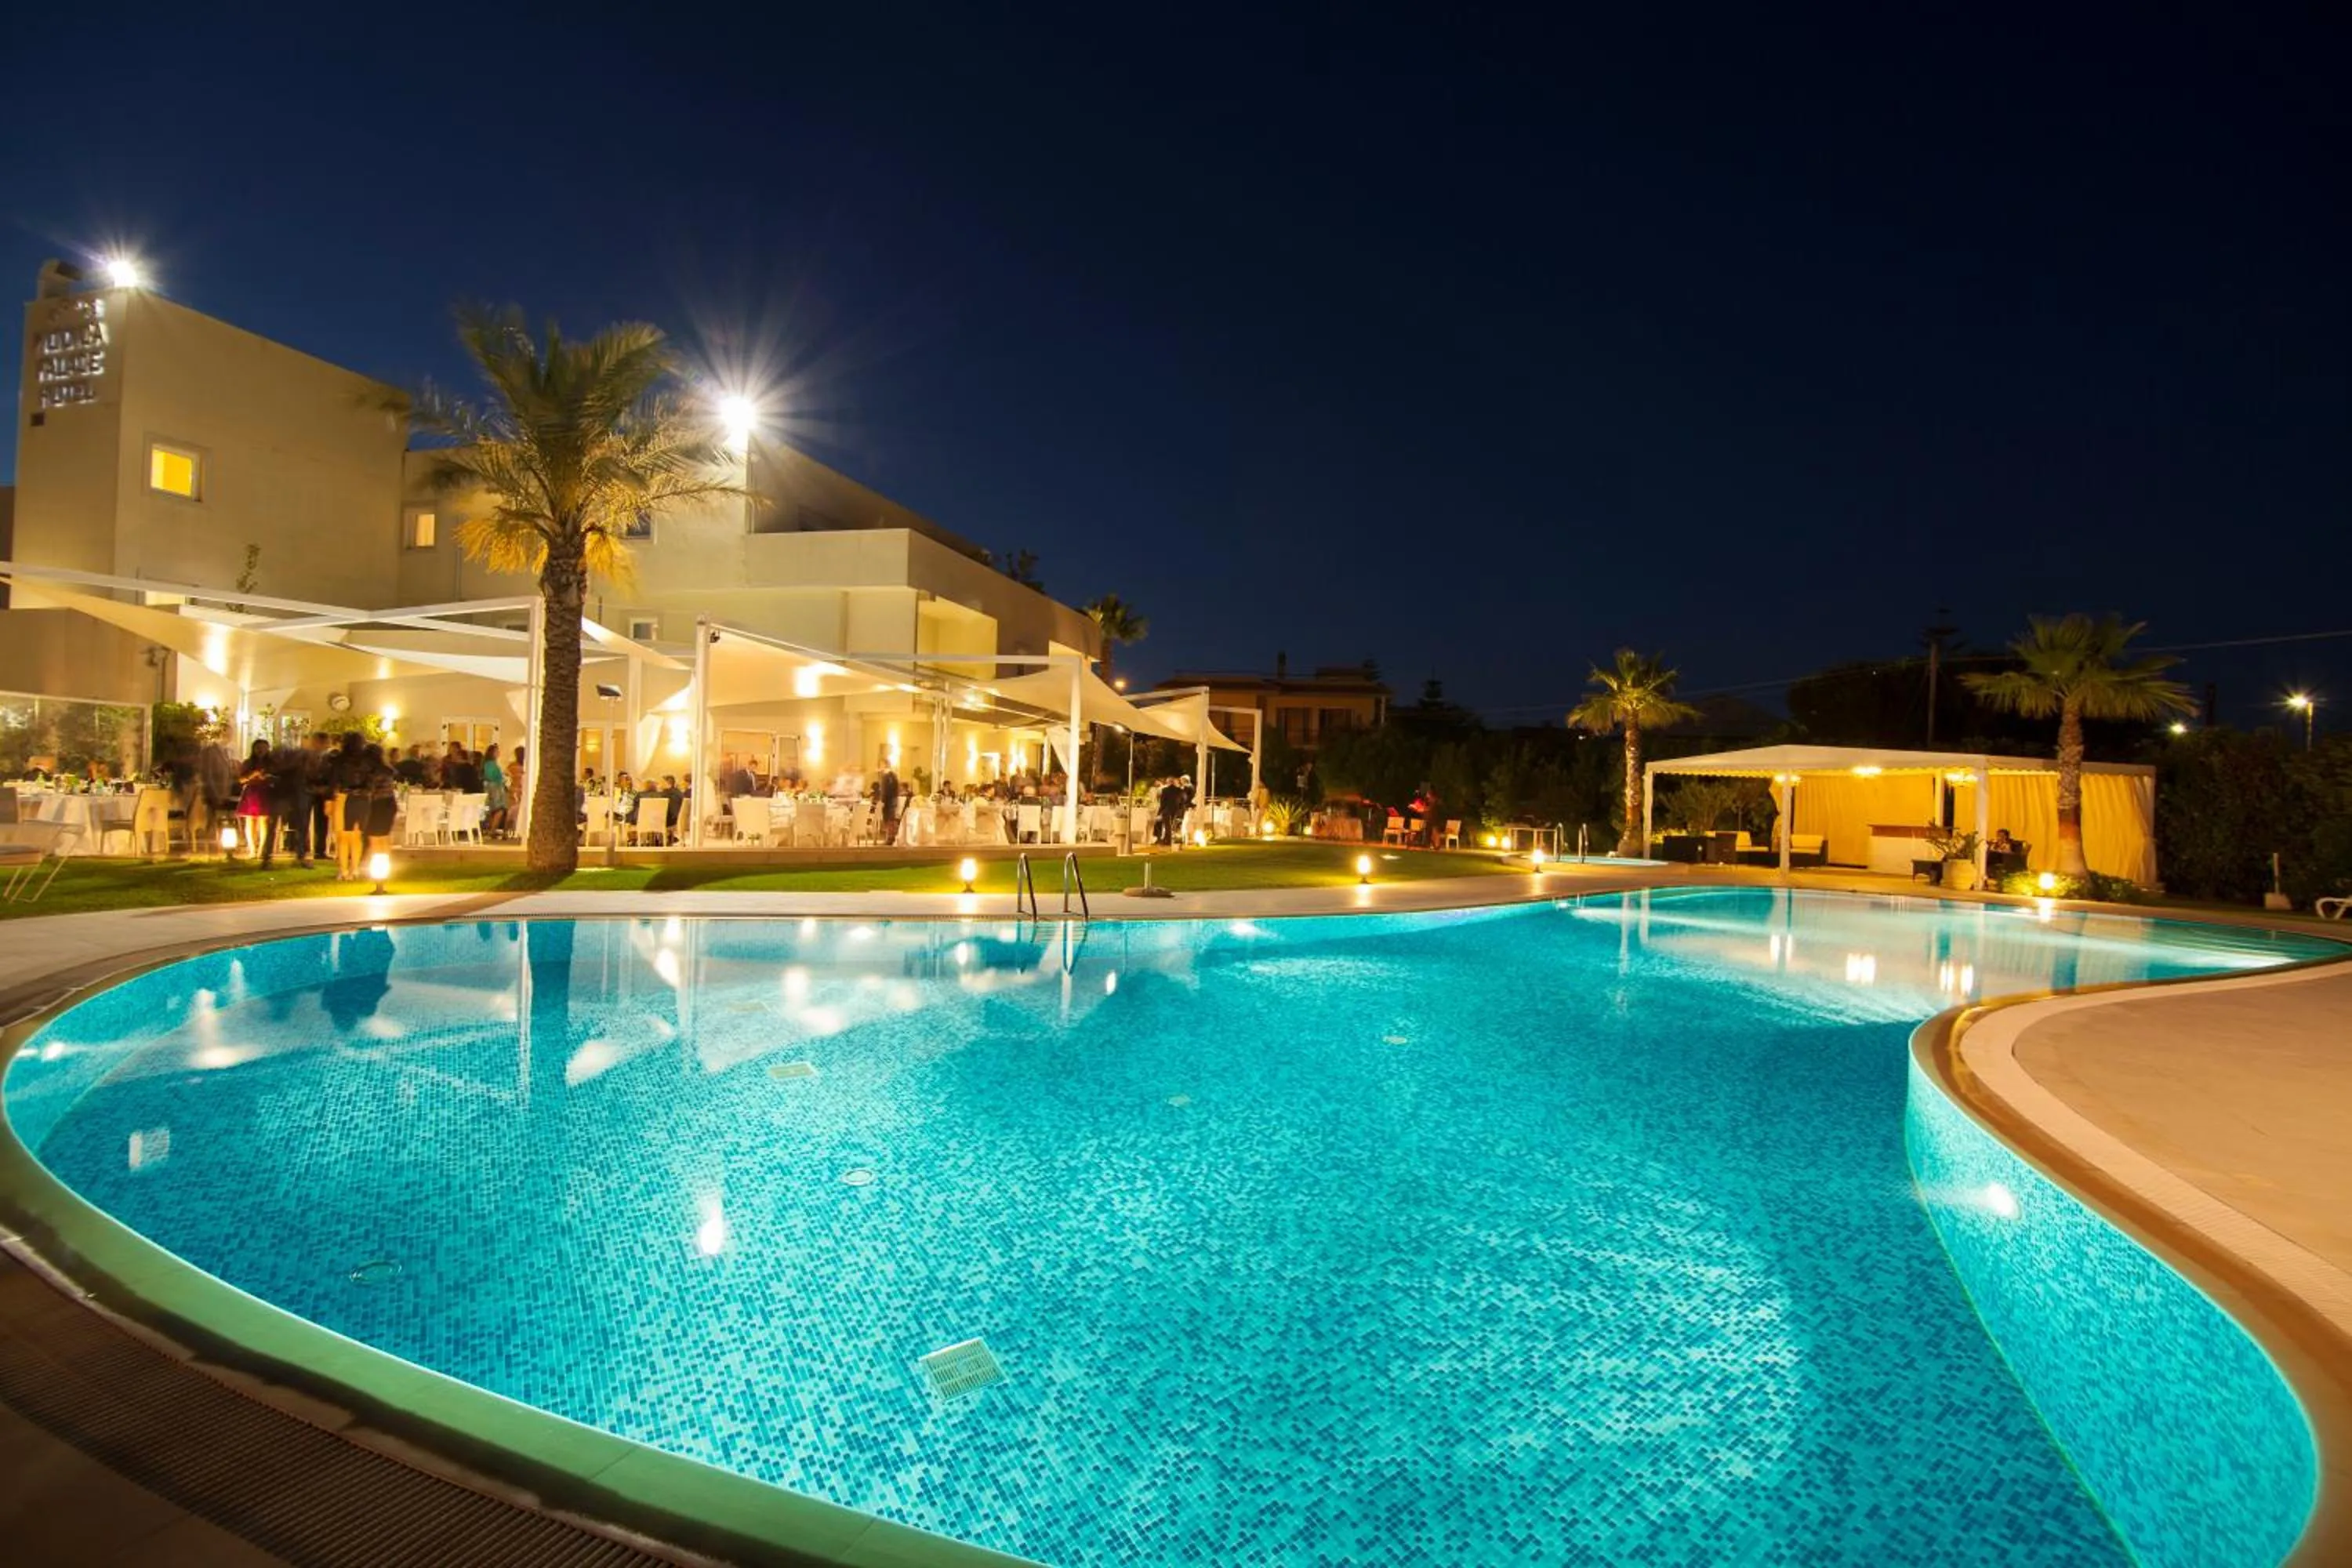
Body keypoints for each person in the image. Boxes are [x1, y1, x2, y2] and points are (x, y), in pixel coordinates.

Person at [264, 737, 314, 869]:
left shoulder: (299, 762)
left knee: (300, 827)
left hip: (294, 794)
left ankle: (300, 856)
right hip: (283, 794)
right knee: (274, 826)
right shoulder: (290, 763)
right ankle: (268, 857)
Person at [481, 743, 509, 837]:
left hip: (492, 788)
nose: (499, 753)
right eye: (497, 751)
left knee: (493, 810)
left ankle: (492, 828)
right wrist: (503, 779)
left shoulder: (488, 764)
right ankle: (493, 829)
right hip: (496, 788)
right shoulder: (491, 764)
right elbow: (492, 776)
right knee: (499, 809)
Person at [878, 754, 902, 844]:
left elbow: (885, 790)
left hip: (888, 800)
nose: (880, 767)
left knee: (888, 819)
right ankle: (891, 837)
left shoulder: (886, 776)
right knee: (891, 819)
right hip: (893, 799)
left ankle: (889, 838)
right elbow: (896, 789)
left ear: (884, 765)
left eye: (881, 765)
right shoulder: (894, 775)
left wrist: (882, 801)